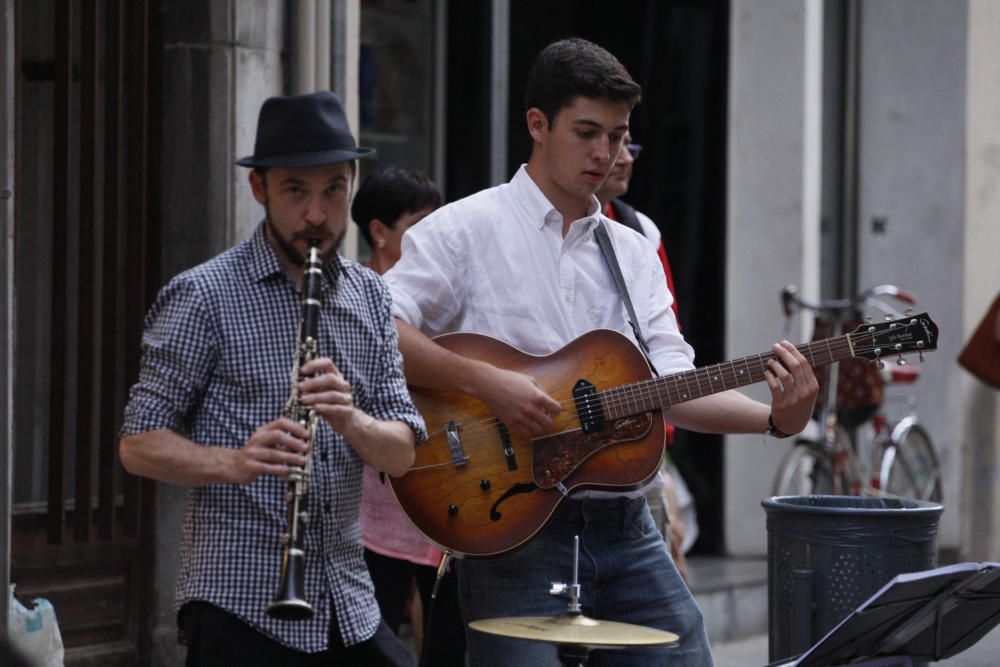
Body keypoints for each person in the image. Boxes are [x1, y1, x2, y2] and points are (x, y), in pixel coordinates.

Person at [383, 38, 819, 666]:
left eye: (617, 137)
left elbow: (675, 382)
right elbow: (376, 330)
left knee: (685, 655)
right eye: (587, 132)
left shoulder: (632, 250)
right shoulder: (463, 230)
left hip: (626, 527)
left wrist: (777, 419)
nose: (604, 154)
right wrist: (488, 383)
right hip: (508, 527)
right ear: (537, 124)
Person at [118, 91, 425, 666]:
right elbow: (137, 446)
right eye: (295, 191)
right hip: (240, 600)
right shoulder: (202, 296)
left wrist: (350, 419)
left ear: (353, 183)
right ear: (259, 189)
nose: (317, 214)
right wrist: (234, 462)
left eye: (334, 189)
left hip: (347, 600)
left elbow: (404, 452)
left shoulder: (371, 296)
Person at [351, 168, 466, 665]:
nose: (435, 235)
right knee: (372, 633)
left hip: (449, 484)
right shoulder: (354, 294)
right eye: (421, 223)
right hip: (376, 496)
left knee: (447, 641)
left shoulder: (443, 296)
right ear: (380, 231)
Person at [595, 132, 694, 581]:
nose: (622, 159)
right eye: (607, 142)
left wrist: (664, 430)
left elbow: (665, 338)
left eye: (629, 146)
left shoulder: (639, 230)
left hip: (635, 437)